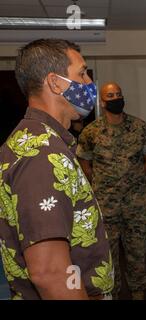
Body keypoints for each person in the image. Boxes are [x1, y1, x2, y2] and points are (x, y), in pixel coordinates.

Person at [0, 39, 113, 300]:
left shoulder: (46, 141)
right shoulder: (40, 153)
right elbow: (50, 273)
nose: (89, 84)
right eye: (82, 73)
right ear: (55, 82)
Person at [76, 82, 146, 300]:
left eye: (118, 94)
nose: (115, 98)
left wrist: (134, 177)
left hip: (136, 204)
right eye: (110, 95)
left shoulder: (140, 127)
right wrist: (101, 183)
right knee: (107, 256)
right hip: (106, 206)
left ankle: (138, 291)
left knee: (137, 252)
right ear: (102, 102)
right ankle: (112, 293)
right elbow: (84, 161)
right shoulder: (91, 132)